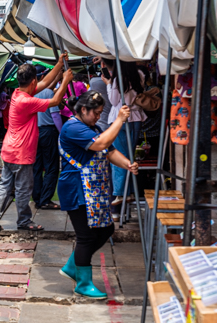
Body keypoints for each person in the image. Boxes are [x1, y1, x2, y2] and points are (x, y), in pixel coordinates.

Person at [57, 91, 137, 299]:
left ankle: (73, 265)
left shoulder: (93, 128)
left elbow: (110, 151)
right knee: (85, 237)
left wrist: (127, 164)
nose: (98, 117)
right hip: (77, 189)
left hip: (94, 191)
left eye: (102, 113)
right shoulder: (73, 127)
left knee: (107, 228)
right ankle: (83, 283)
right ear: (83, 110)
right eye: (96, 113)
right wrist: (119, 120)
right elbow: (101, 144)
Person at [0, 60, 74, 232]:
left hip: (10, 150)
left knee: (5, 185)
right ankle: (24, 221)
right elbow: (55, 100)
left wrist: (59, 64)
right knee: (23, 189)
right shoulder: (26, 101)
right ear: (33, 81)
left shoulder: (18, 93)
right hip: (21, 153)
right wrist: (65, 81)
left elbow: (46, 82)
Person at [103, 59, 146, 206]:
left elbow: (114, 101)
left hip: (120, 118)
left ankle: (121, 193)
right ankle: (130, 191)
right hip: (136, 117)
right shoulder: (139, 74)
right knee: (129, 155)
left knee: (118, 155)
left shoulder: (117, 80)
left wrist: (108, 85)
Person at [32, 68, 63, 210]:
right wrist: (62, 134)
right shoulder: (49, 93)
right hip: (48, 131)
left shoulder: (31, 93)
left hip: (35, 132)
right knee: (51, 166)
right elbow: (56, 116)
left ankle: (37, 198)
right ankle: (45, 200)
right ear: (43, 77)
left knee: (37, 167)